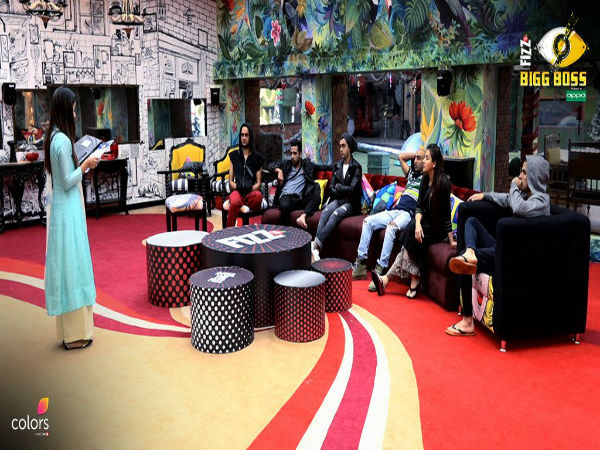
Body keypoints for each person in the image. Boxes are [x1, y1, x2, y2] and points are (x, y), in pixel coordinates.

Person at [445, 155, 550, 336]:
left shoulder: (541, 201)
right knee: (471, 222)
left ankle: (467, 322)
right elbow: (507, 199)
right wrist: (485, 195)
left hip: (513, 256)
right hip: (504, 248)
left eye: (524, 172)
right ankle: (470, 252)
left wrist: (513, 185)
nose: (520, 176)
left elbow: (518, 208)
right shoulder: (527, 197)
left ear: (534, 177)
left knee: (463, 262)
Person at [44, 86, 100, 350]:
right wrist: (86, 166)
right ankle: (78, 333)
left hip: (60, 210)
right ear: (66, 109)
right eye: (74, 109)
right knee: (74, 263)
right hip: (68, 210)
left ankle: (69, 332)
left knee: (65, 264)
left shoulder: (53, 138)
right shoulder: (63, 141)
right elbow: (67, 181)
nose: (76, 114)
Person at [372, 144, 456, 298]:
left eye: (426, 158)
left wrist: (451, 240)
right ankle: (404, 279)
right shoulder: (424, 179)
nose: (423, 161)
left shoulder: (444, 184)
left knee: (409, 240)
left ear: (434, 163)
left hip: (436, 229)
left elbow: (445, 215)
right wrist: (417, 224)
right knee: (411, 229)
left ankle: (402, 278)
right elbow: (419, 207)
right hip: (424, 222)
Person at [353, 148, 425, 290]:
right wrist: (417, 154)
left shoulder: (427, 178)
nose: (415, 161)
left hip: (408, 214)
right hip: (395, 210)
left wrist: (422, 156)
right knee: (367, 221)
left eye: (419, 158)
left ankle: (381, 269)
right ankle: (361, 264)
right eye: (415, 158)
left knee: (391, 228)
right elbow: (401, 156)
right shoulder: (411, 174)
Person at [312, 133, 362, 261]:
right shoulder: (337, 165)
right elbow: (331, 188)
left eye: (343, 146)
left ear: (350, 148)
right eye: (340, 146)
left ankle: (315, 245)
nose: (340, 149)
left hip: (352, 204)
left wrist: (339, 187)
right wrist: (341, 189)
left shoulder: (356, 167)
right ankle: (316, 249)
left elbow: (352, 190)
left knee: (335, 214)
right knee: (326, 211)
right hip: (339, 199)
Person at [269, 139, 321, 228]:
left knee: (316, 197)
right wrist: (279, 171)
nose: (292, 156)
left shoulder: (306, 166)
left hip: (298, 200)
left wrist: (338, 166)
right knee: (285, 205)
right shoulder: (286, 164)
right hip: (286, 197)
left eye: (295, 153)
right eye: (291, 153)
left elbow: (324, 167)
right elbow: (270, 166)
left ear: (300, 154)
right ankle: (287, 230)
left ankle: (303, 216)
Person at [225, 123, 264, 228]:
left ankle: (253, 227)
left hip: (250, 193)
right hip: (237, 191)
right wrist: (239, 188)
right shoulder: (234, 156)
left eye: (246, 135)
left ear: (250, 137)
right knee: (235, 201)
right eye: (242, 135)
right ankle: (228, 231)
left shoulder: (257, 158)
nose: (244, 138)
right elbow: (230, 182)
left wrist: (248, 188)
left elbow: (258, 184)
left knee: (258, 196)